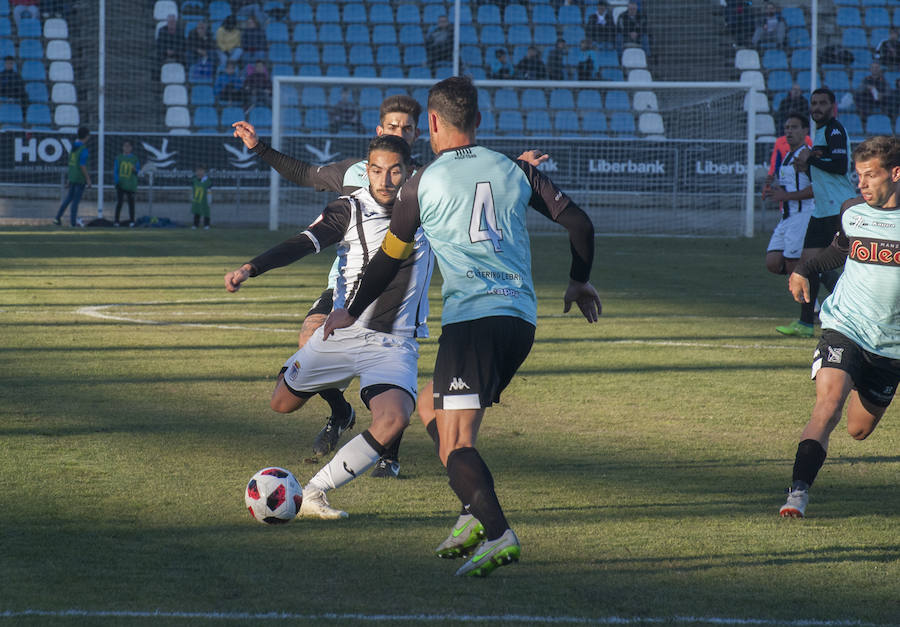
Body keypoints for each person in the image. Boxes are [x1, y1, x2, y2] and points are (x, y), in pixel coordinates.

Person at [322, 76, 601, 577]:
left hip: (472, 322)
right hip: (520, 321)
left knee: (457, 444)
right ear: (479, 121)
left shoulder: (420, 184)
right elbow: (580, 224)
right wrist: (579, 283)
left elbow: (389, 259)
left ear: (431, 123)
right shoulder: (514, 169)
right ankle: (471, 515)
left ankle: (497, 533)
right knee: (428, 404)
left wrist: (349, 307)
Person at [223, 134, 435, 518]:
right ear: (366, 171)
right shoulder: (349, 208)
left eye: (394, 171)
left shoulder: (431, 207)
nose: (384, 180)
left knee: (395, 417)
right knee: (281, 404)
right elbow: (302, 242)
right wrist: (250, 268)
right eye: (376, 171)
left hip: (394, 344)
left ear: (408, 172)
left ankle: (316, 491)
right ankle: (336, 405)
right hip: (341, 332)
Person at [780, 135, 900, 518]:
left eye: (870, 175)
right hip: (845, 325)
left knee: (858, 431)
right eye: (858, 175)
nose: (861, 183)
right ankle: (797, 494)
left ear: (895, 174)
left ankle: (859, 379)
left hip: (891, 346)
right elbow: (838, 250)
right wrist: (802, 268)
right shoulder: (852, 211)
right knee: (827, 407)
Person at [789, 88, 857, 337]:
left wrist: (810, 159)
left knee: (849, 264)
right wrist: (806, 165)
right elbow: (822, 169)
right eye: (814, 103)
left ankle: (854, 312)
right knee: (807, 264)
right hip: (821, 209)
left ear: (832, 106)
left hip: (838, 206)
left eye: (822, 103)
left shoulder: (834, 129)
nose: (817, 107)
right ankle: (806, 323)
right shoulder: (819, 132)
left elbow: (839, 166)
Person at [763, 115, 815, 334]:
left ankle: (809, 316)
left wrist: (786, 195)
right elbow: (786, 187)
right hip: (787, 218)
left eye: (794, 127)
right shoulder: (788, 156)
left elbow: (815, 189)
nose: (789, 131)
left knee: (797, 267)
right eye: (787, 127)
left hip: (802, 217)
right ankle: (817, 304)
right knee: (773, 262)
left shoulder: (806, 156)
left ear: (805, 131)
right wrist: (772, 190)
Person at [52, 126, 91, 227]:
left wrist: (69, 178)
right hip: (79, 178)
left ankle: (57, 218)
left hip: (73, 176)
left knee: (68, 199)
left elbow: (71, 163)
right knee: (75, 201)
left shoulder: (73, 147)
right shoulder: (83, 149)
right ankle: (73, 223)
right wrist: (88, 179)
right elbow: (82, 165)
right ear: (87, 136)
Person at [113, 140, 140, 228]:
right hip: (121, 184)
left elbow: (138, 171)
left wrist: (135, 170)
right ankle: (116, 221)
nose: (126, 148)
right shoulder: (119, 158)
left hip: (131, 184)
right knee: (119, 202)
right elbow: (116, 170)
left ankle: (132, 221)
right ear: (122, 147)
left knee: (131, 203)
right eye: (125, 146)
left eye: (128, 146)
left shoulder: (135, 159)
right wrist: (117, 181)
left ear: (131, 148)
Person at [190, 164, 212, 230]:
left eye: (201, 171)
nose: (199, 173)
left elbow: (209, 191)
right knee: (197, 212)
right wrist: (191, 197)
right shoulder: (194, 180)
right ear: (196, 172)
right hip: (196, 200)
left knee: (206, 212)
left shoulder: (207, 180)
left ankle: (206, 225)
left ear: (204, 172)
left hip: (205, 200)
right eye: (198, 171)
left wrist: (209, 200)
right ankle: (195, 225)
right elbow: (192, 190)